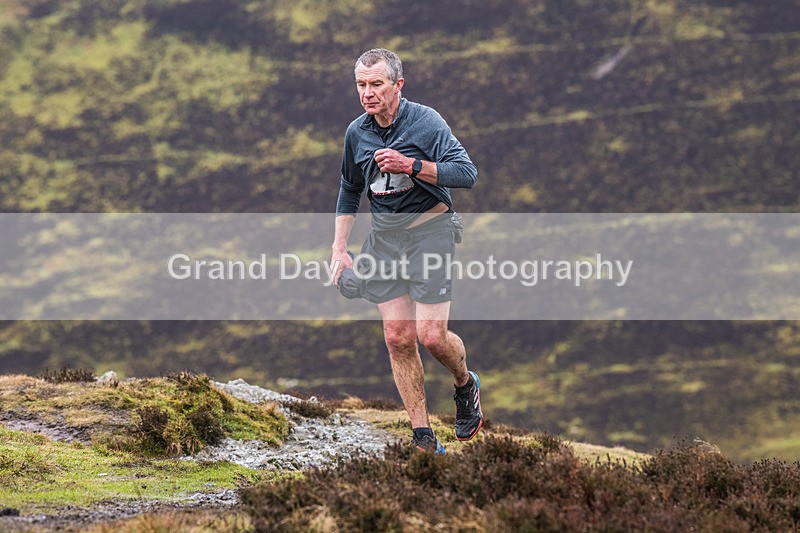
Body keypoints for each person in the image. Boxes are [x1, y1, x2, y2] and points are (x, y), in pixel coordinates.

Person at [331, 48, 483, 454]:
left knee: (431, 336)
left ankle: (465, 384)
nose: (368, 93)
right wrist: (340, 249)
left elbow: (466, 173)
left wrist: (411, 165)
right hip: (385, 239)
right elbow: (350, 188)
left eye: (376, 84)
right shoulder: (356, 132)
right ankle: (423, 437)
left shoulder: (427, 122)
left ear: (398, 84)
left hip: (430, 232)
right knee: (398, 336)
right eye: (361, 85)